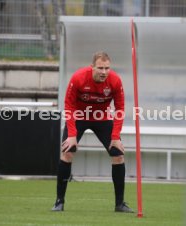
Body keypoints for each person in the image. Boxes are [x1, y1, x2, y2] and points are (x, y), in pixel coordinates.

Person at [52, 51, 134, 213]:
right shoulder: (78, 78)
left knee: (118, 154)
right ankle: (59, 202)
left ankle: (119, 204)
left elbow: (120, 109)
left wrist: (116, 137)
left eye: (107, 68)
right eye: (100, 68)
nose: (104, 72)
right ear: (92, 67)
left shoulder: (115, 81)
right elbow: (68, 106)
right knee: (67, 152)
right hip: (79, 117)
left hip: (102, 118)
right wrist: (72, 135)